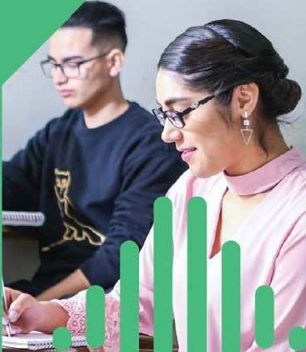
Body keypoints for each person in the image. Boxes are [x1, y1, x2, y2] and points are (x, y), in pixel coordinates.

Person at [3, 19, 306, 352]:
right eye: (164, 115)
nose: (167, 133)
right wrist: (43, 313)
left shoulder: (298, 214)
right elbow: (136, 300)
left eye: (180, 112)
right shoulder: (190, 191)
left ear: (244, 98)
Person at [2, 1, 186, 300]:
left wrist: (41, 305)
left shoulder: (152, 145)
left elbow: (121, 259)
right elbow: (13, 182)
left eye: (73, 64)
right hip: (45, 297)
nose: (60, 77)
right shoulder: (58, 132)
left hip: (108, 307)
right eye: (54, 64)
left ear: (113, 62)